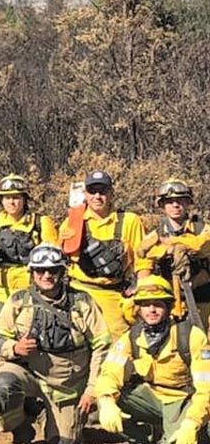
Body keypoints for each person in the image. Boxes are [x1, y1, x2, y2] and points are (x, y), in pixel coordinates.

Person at [0, 244, 110, 444]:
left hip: (67, 386)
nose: (47, 275)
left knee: (63, 441)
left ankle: (48, 416)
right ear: (32, 272)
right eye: (40, 270)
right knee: (4, 384)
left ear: (62, 271)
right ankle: (20, 427)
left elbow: (102, 346)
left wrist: (91, 389)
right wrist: (14, 348)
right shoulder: (19, 300)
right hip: (30, 374)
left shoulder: (82, 302)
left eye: (53, 270)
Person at [95, 275, 210, 444]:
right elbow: (110, 373)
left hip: (181, 400)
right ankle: (143, 439)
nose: (152, 310)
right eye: (146, 305)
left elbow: (206, 389)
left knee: (182, 439)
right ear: (139, 309)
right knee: (107, 399)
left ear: (169, 307)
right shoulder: (131, 337)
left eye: (158, 304)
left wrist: (192, 423)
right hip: (150, 396)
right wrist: (106, 402)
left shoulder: (190, 337)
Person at [58, 170, 145, 337]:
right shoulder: (73, 221)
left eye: (103, 191)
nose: (97, 196)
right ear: (85, 194)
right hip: (79, 294)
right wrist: (61, 243)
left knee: (117, 348)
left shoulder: (130, 221)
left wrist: (141, 295)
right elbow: (59, 260)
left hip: (114, 295)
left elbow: (142, 262)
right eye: (92, 191)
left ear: (111, 193)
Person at [0, 174, 58, 313]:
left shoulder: (41, 223)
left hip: (33, 290)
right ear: (1, 200)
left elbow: (55, 259)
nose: (12, 202)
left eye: (16, 197)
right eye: (7, 198)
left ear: (24, 199)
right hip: (3, 292)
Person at [135, 179, 210, 322]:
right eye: (170, 201)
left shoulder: (202, 229)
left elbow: (201, 245)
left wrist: (173, 244)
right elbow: (143, 261)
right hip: (169, 303)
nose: (175, 205)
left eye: (180, 200)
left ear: (188, 203)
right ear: (162, 205)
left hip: (204, 299)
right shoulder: (153, 236)